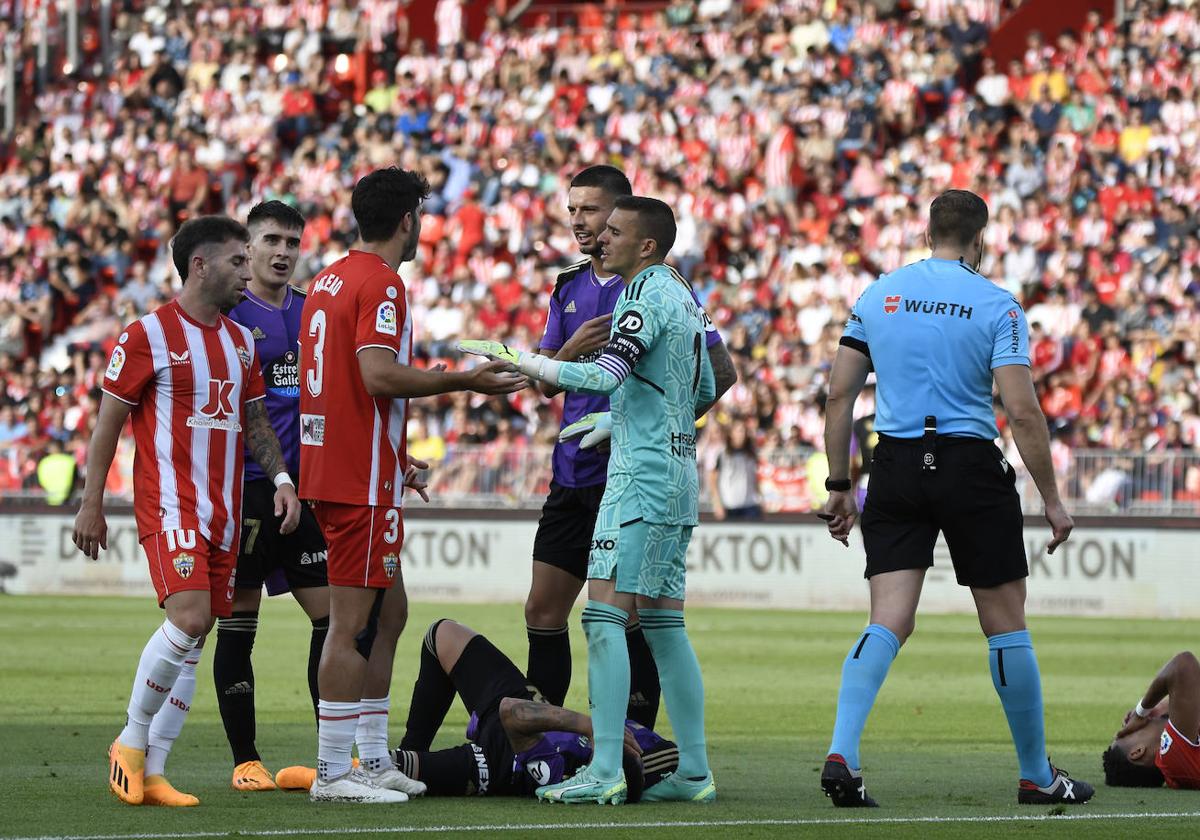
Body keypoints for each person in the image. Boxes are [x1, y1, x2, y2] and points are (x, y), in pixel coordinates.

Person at [818, 189, 1094, 807]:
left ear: (926, 234)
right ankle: (1036, 776)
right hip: (969, 463)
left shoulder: (877, 295)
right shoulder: (998, 304)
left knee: (888, 619)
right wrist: (1052, 499)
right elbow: (1021, 410)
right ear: (981, 238)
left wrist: (840, 486)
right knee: (1004, 625)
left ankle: (843, 751)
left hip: (893, 463)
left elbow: (839, 397)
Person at [461, 195, 719, 805]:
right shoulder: (682, 293)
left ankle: (604, 769)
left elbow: (604, 376)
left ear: (646, 245)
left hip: (638, 480)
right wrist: (622, 422)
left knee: (603, 618)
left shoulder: (638, 295)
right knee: (663, 624)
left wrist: (525, 360)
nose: (601, 239)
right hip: (678, 473)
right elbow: (704, 383)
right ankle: (695, 772)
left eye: (614, 231)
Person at [298, 167, 526, 804]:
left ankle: (371, 758)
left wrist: (395, 456)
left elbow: (342, 389)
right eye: (421, 215)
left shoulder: (327, 279)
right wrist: (465, 381)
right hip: (356, 481)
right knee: (352, 627)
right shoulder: (383, 284)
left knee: (390, 613)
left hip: (351, 467)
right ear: (407, 221)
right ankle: (332, 771)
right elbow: (375, 377)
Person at [72, 216, 302, 807]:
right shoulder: (147, 333)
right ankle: (129, 741)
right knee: (192, 620)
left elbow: (254, 419)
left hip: (226, 512)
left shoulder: (238, 340)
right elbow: (110, 422)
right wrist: (91, 502)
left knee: (196, 642)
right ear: (200, 265)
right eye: (236, 261)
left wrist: (280, 478)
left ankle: (154, 772)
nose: (246, 271)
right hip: (171, 506)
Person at [525, 165, 736, 728]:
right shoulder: (569, 287)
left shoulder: (657, 286)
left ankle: (633, 744)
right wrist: (565, 349)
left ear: (622, 217)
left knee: (628, 616)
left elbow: (717, 372)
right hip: (574, 472)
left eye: (591, 211)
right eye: (572, 210)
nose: (579, 222)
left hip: (632, 474)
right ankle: (543, 734)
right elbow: (548, 384)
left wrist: (647, 427)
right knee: (546, 607)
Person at [274, 619, 679, 799]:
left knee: (393, 769)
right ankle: (409, 749)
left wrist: (591, 726)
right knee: (440, 635)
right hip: (530, 712)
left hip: (499, 761)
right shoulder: (642, 758)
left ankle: (336, 772)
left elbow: (512, 714)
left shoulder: (560, 766)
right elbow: (672, 756)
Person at [214, 201, 331, 792]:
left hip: (307, 493)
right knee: (240, 624)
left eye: (292, 241)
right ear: (248, 247)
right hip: (248, 492)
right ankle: (245, 760)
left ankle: (332, 756)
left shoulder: (314, 314)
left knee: (332, 621)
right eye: (271, 241)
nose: (283, 252)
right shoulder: (230, 315)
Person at [1103, 652, 1200, 789]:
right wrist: (1140, 712)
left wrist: (1160, 708)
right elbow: (1183, 665)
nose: (1132, 725)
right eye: (1127, 731)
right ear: (1137, 752)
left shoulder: (1181, 764)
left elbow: (1192, 688)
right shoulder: (1173, 756)